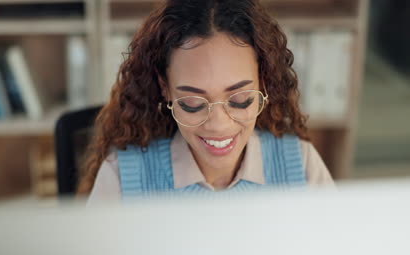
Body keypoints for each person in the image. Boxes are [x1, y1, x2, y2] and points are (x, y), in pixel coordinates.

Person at [79, 0, 334, 202]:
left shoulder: (301, 165)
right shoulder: (122, 179)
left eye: (240, 100)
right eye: (193, 103)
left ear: (263, 82)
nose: (218, 125)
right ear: (165, 88)